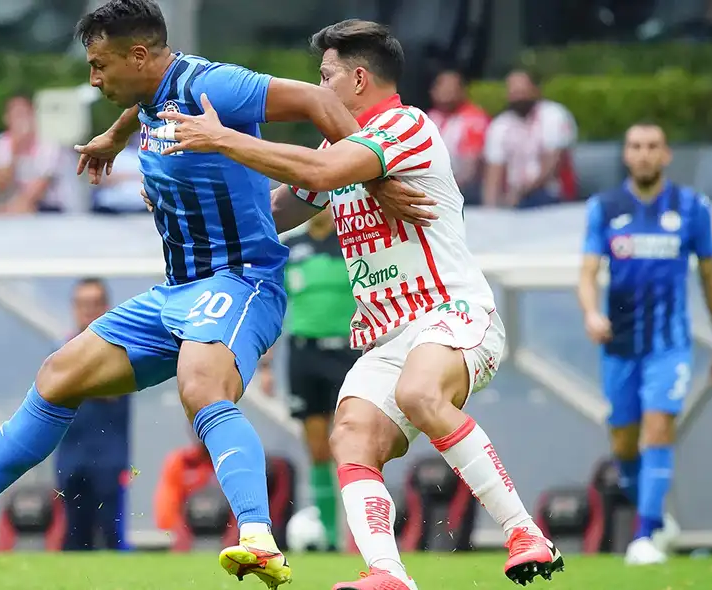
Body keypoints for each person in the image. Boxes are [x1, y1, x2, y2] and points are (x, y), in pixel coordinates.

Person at [0, 3, 421, 589]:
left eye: (99, 65)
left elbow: (318, 103)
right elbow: (148, 107)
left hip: (241, 282)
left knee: (201, 386)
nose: (93, 79)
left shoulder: (214, 84)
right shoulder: (154, 96)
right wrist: (113, 136)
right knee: (60, 373)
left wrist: (375, 179)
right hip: (177, 291)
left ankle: (259, 538)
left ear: (140, 55)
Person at [150, 19, 564, 590]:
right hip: (387, 335)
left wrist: (223, 138)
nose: (319, 89)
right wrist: (184, 203)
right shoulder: (334, 144)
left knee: (419, 393)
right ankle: (386, 573)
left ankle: (524, 533)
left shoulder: (406, 126)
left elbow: (320, 172)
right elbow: (274, 215)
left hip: (453, 314)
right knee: (352, 433)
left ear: (360, 78)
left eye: (326, 77)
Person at [577, 122, 712, 565]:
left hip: (670, 344)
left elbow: (708, 275)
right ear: (626, 155)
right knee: (624, 442)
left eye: (652, 147)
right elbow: (587, 273)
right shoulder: (604, 208)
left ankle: (643, 535)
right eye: (635, 147)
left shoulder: (691, 207)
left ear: (666, 155)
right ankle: (658, 520)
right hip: (620, 344)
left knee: (659, 427)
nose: (644, 154)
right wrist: (590, 312)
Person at [283, 209, 359, 550]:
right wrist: (266, 364)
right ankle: (329, 534)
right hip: (303, 353)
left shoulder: (351, 244)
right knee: (316, 448)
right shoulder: (291, 247)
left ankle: (359, 534)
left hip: (346, 352)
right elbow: (274, 301)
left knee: (352, 444)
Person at [55, 278, 131, 551]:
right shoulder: (62, 348)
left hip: (110, 461)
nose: (88, 311)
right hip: (70, 458)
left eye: (94, 304)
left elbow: (110, 389)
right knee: (74, 537)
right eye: (82, 304)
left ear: (106, 307)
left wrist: (73, 380)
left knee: (113, 534)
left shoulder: (120, 347)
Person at [481, 70, 577, 209]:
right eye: (514, 92)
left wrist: (521, 193)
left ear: (535, 91)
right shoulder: (500, 125)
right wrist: (490, 208)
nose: (519, 97)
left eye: (522, 91)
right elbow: (493, 172)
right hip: (513, 196)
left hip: (552, 193)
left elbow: (553, 164)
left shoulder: (554, 115)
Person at [0, 93, 73, 214]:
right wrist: (15, 151)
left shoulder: (49, 142)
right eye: (16, 115)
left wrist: (12, 209)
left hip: (53, 208)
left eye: (24, 114)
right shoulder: (2, 143)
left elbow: (41, 186)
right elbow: (1, 185)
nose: (21, 121)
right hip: (20, 207)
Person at [427, 70, 490, 204]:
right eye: (442, 87)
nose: (445, 92)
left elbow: (470, 166)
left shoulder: (474, 118)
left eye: (451, 88)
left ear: (462, 91)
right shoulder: (430, 117)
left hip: (464, 189)